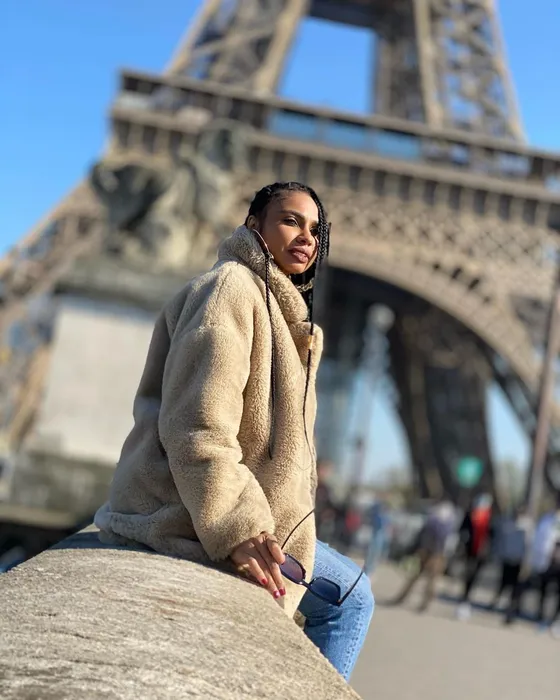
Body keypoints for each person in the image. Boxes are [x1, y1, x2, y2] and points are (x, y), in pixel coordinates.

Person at [94, 181, 374, 681]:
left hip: (211, 509)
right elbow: (197, 424)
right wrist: (237, 529)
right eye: (290, 220)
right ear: (253, 226)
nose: (306, 237)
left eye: (316, 229)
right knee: (351, 600)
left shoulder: (271, 304)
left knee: (346, 593)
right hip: (188, 514)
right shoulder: (230, 289)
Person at [390, 499, 456, 612]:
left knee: (428, 580)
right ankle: (414, 602)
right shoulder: (444, 524)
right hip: (431, 553)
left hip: (433, 554)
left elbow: (424, 537)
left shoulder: (435, 522)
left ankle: (419, 603)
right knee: (423, 579)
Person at [456, 494, 495, 621]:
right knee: (468, 574)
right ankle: (464, 597)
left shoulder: (490, 518)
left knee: (475, 576)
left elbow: (492, 535)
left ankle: (467, 598)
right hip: (470, 550)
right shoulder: (470, 515)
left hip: (482, 552)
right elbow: (462, 529)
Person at [490, 506, 532, 611]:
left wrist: (526, 562)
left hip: (519, 560)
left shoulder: (526, 527)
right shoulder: (509, 523)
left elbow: (528, 545)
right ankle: (497, 600)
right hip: (508, 558)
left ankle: (513, 605)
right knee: (503, 582)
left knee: (516, 585)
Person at [364, 498, 390, 577]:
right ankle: (367, 570)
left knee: (375, 553)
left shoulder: (384, 515)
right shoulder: (378, 512)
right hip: (376, 532)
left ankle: (369, 570)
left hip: (380, 533)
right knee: (372, 552)